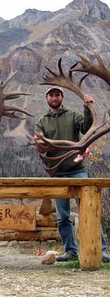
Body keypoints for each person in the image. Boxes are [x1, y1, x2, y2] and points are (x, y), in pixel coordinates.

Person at [35, 86, 110, 262]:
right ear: (47, 98)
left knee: (90, 210)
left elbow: (86, 126)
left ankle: (102, 250)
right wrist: (39, 142)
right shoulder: (42, 121)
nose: (54, 98)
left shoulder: (72, 115)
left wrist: (87, 107)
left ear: (62, 98)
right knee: (63, 217)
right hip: (58, 174)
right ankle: (71, 251)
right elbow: (40, 145)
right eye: (52, 95)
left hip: (78, 172)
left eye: (57, 95)